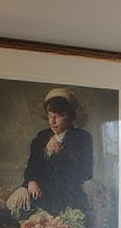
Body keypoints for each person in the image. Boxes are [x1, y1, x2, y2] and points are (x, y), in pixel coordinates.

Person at [6, 87, 93, 218]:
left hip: (70, 195)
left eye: (59, 116)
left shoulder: (82, 138)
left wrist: (63, 152)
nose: (53, 121)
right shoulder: (41, 137)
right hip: (42, 193)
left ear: (71, 116)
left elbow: (85, 172)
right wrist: (32, 180)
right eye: (50, 116)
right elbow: (33, 165)